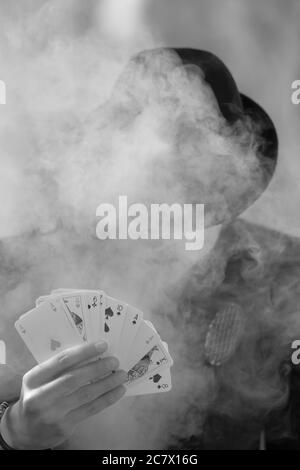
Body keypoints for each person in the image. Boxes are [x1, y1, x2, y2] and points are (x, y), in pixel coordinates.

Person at [0, 47, 297, 450]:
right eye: (150, 155)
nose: (166, 183)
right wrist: (13, 431)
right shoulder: (21, 269)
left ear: (234, 166)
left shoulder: (286, 276)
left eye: (195, 154)